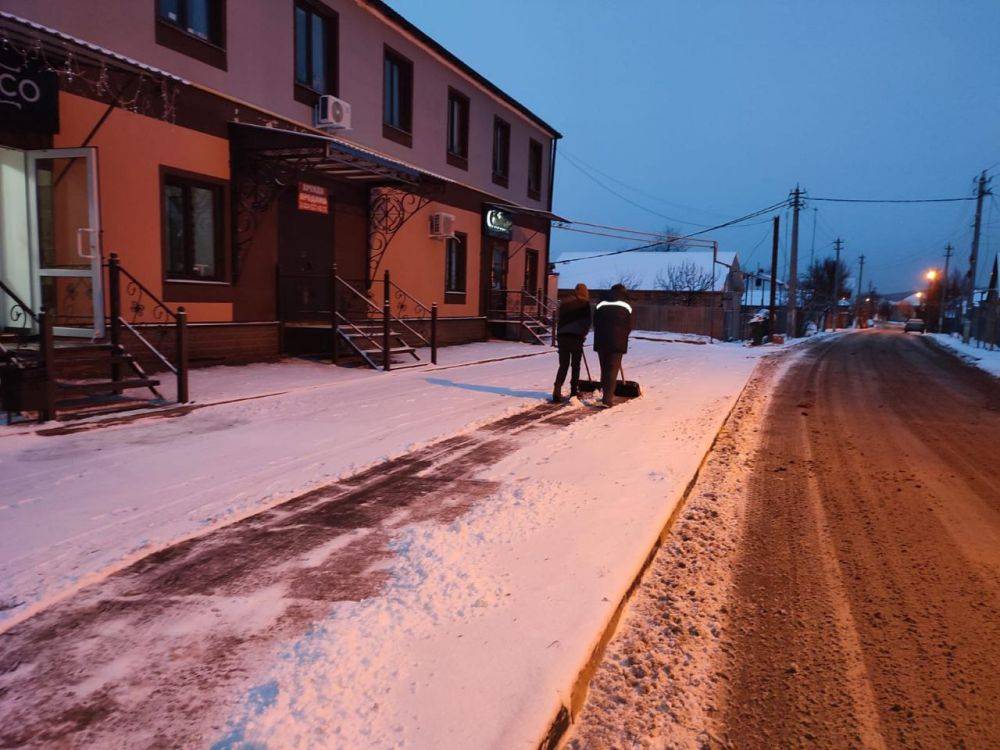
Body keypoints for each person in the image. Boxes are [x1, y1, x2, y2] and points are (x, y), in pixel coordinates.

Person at [593, 283, 633, 407]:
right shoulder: (627, 304)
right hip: (617, 341)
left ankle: (605, 395)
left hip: (601, 340)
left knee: (604, 369)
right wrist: (623, 335)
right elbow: (629, 325)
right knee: (612, 369)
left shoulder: (601, 302)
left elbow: (595, 321)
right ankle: (607, 399)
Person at [552, 283, 592, 402]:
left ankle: (557, 389)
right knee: (575, 365)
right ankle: (574, 392)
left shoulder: (564, 302)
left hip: (562, 336)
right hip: (576, 337)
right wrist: (583, 334)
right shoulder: (585, 304)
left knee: (563, 365)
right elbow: (587, 322)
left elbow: (559, 319)